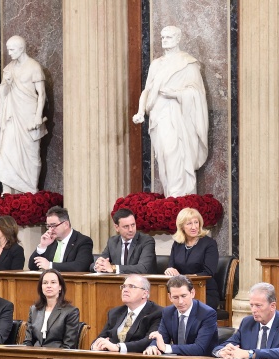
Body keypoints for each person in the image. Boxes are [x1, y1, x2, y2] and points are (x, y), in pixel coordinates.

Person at [132, 26, 208, 197]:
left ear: (178, 38)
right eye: (162, 37)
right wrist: (140, 111)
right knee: (164, 158)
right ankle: (171, 198)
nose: (165, 40)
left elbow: (197, 93)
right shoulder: (156, 64)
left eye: (169, 37)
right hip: (158, 117)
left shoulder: (187, 63)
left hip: (178, 117)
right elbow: (147, 91)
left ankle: (179, 199)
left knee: (174, 154)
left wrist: (176, 94)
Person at [0, 35, 47, 194]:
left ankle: (30, 190)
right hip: (12, 116)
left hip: (28, 116)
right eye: (8, 49)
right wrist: (7, 83)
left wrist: (38, 116)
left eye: (12, 50)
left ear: (21, 48)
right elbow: (2, 94)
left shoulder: (34, 67)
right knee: (6, 150)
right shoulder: (9, 68)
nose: (9, 53)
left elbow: (42, 94)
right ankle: (7, 191)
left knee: (31, 153)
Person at [214, 282, 279, 359]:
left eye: (258, 305)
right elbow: (222, 346)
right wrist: (222, 352)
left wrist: (250, 354)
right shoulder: (247, 322)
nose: (253, 310)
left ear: (272, 306)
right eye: (251, 305)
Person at [144, 275, 218, 356]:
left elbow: (199, 348)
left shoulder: (207, 314)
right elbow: (162, 338)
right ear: (169, 297)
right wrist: (153, 346)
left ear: (192, 293)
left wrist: (167, 348)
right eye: (175, 297)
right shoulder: (168, 312)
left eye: (183, 296)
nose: (180, 302)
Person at [91, 275, 163, 354]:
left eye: (131, 286)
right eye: (124, 286)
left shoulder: (157, 312)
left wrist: (118, 347)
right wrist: (95, 345)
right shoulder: (115, 312)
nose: (125, 290)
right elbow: (101, 337)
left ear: (145, 294)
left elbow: (149, 341)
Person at [165, 207, 220, 309]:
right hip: (181, 291)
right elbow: (171, 266)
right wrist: (169, 270)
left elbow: (208, 272)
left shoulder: (209, 243)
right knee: (164, 304)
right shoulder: (178, 244)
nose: (194, 227)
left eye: (196, 222)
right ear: (182, 227)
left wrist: (183, 278)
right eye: (189, 223)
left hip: (204, 290)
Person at [23, 268, 81, 349]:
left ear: (60, 287)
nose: (48, 286)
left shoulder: (71, 311)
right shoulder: (34, 310)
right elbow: (28, 341)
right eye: (45, 283)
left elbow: (69, 345)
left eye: (53, 282)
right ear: (41, 287)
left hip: (57, 357)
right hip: (35, 356)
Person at [28, 206, 94, 272]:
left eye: (53, 225)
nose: (50, 230)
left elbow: (81, 266)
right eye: (48, 226)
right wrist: (42, 246)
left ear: (66, 224)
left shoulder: (83, 241)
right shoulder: (50, 241)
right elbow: (32, 267)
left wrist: (50, 266)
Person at [92, 209, 157, 274]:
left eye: (133, 225)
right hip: (118, 282)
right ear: (117, 227)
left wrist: (113, 268)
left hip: (142, 282)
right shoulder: (112, 241)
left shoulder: (146, 241)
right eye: (126, 226)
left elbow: (143, 268)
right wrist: (98, 266)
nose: (131, 229)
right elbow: (99, 262)